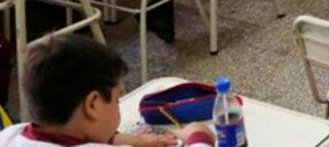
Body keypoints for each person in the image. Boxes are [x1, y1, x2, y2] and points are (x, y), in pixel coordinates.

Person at [0, 34, 214, 146]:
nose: (117, 106)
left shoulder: (10, 135)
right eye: (116, 100)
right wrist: (198, 135)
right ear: (93, 104)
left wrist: (129, 140)